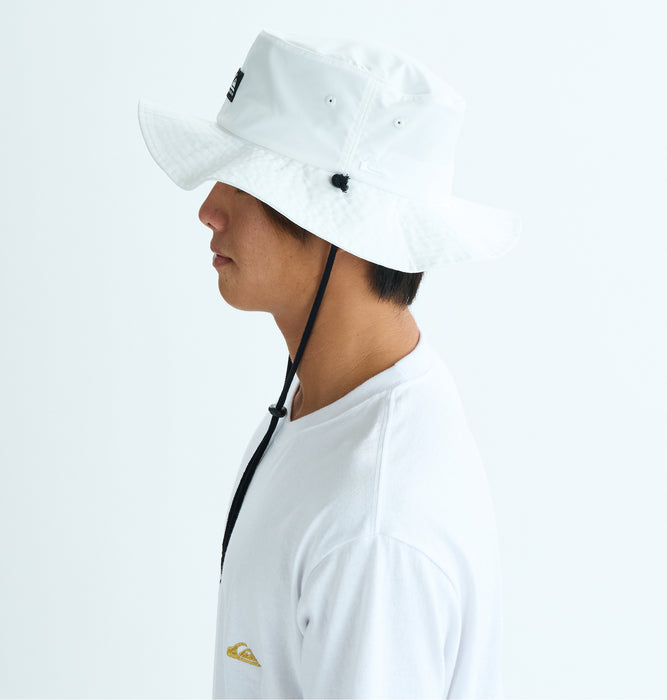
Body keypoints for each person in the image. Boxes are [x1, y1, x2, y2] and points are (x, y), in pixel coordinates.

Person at [138, 28, 521, 699]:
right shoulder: (329, 410)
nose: (208, 209)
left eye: (246, 181)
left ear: (339, 226)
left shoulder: (374, 526)